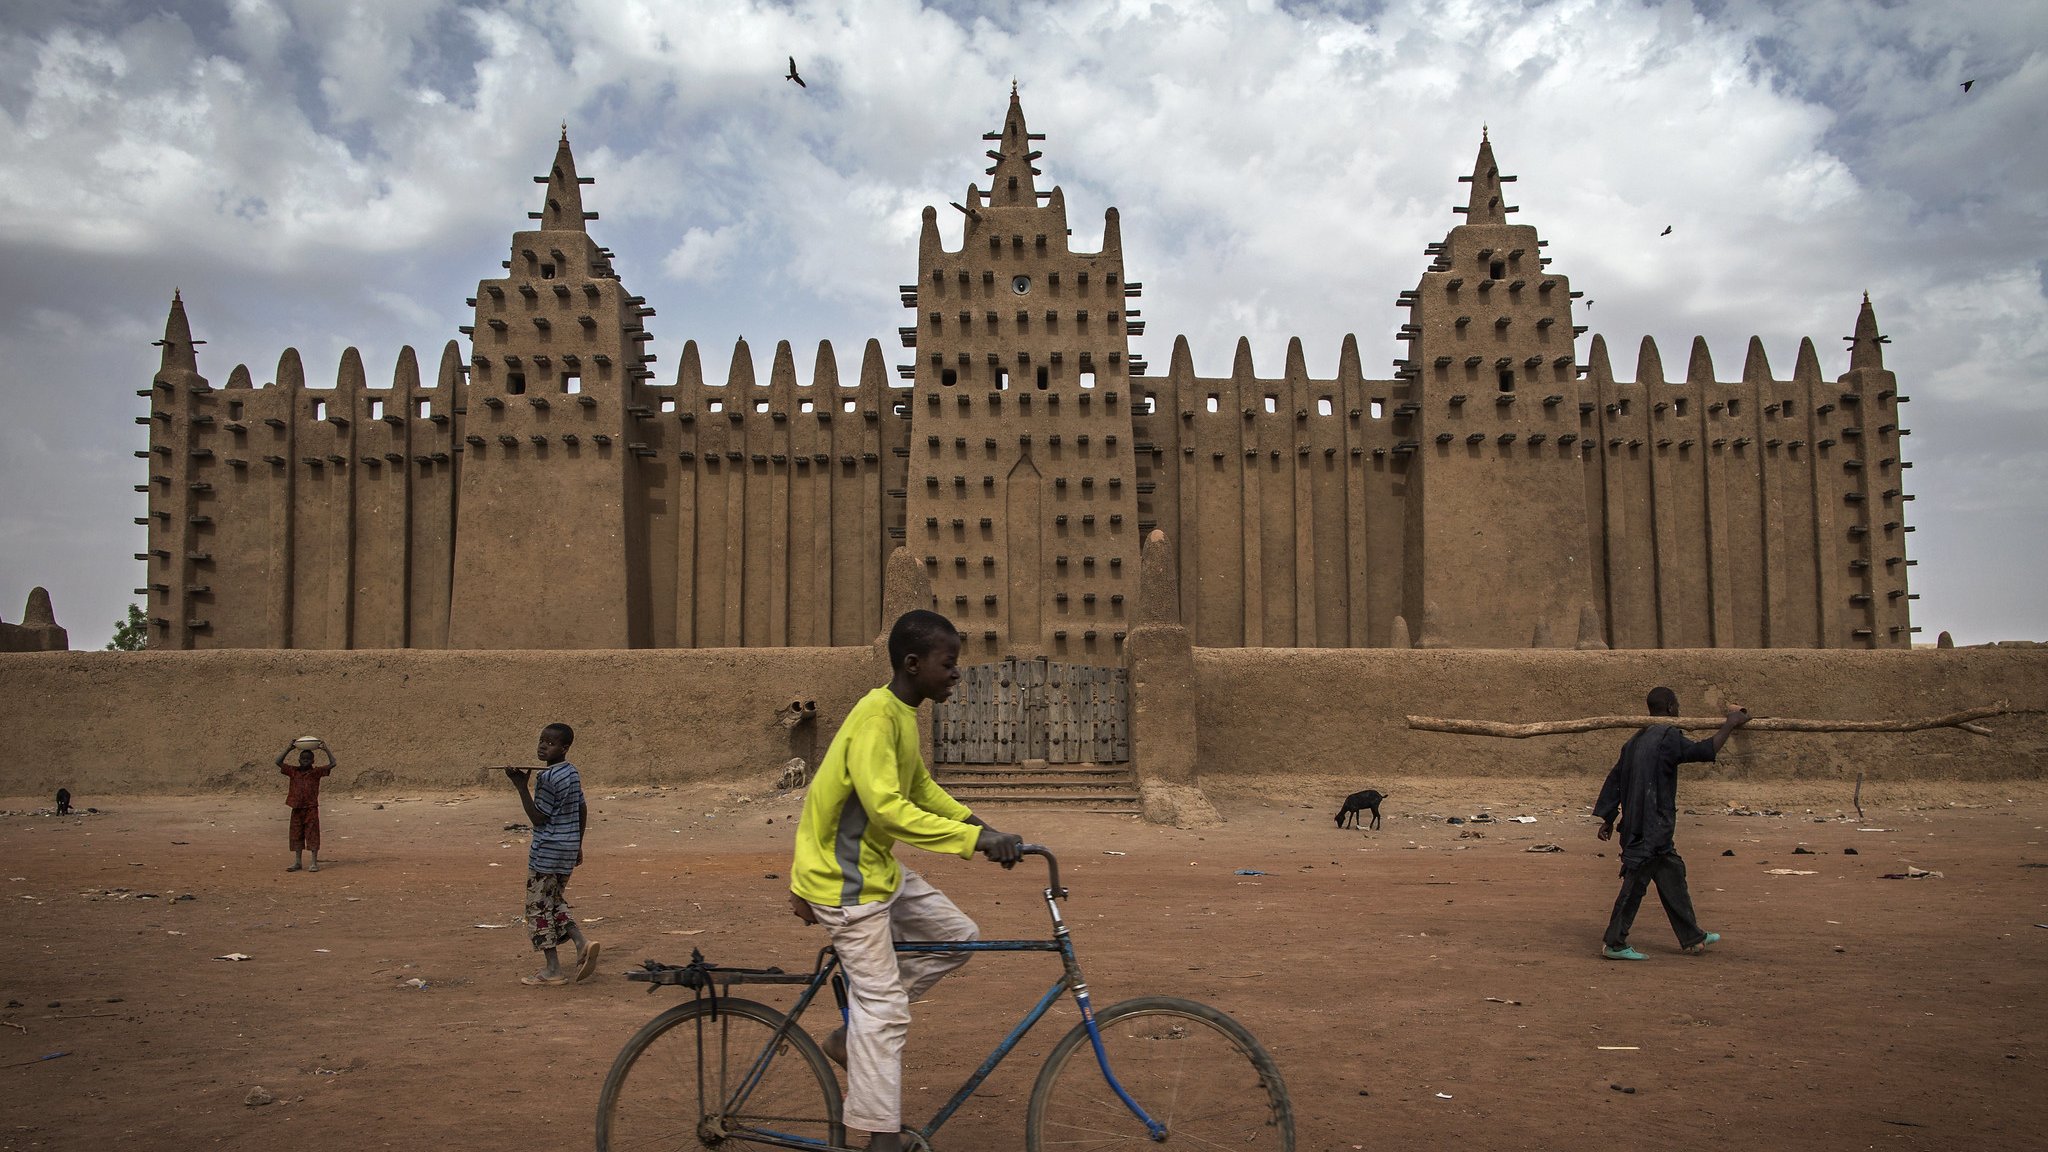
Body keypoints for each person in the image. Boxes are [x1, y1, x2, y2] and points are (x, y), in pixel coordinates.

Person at [787, 610, 1024, 1152]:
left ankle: (857, 1035)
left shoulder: (901, 715)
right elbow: (890, 811)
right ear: (913, 665)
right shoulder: (876, 718)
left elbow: (920, 788)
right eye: (949, 664)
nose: (956, 674)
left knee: (958, 936)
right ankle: (880, 1136)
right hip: (843, 881)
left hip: (875, 872)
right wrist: (973, 843)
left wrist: (979, 826)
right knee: (887, 1010)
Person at [1594, 688, 1751, 960]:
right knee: (1636, 883)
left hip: (1644, 826)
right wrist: (1730, 723)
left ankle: (1692, 937)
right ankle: (1615, 943)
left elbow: (1614, 780)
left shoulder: (1635, 739)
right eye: (1677, 705)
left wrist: (1609, 819)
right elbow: (1705, 750)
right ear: (1669, 707)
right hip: (1651, 827)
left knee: (1672, 873)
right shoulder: (1666, 737)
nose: (1678, 710)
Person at [504, 722, 597, 986]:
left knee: (538, 909)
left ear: (565, 747)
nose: (544, 746)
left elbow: (539, 818)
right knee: (554, 901)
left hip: (546, 852)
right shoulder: (572, 772)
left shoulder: (547, 778)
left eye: (551, 742)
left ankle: (552, 969)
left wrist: (521, 787)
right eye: (542, 740)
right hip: (567, 850)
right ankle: (581, 942)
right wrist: (577, 843)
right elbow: (581, 808)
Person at [274, 740, 336, 873]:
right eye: (303, 758)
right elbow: (278, 762)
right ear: (299, 759)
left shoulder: (316, 772)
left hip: (311, 808)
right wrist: (289, 748)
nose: (305, 761)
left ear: (313, 761)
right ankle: (297, 861)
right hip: (296, 807)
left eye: (308, 759)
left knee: (312, 834)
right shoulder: (293, 771)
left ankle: (313, 863)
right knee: (296, 834)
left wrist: (326, 750)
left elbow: (333, 763)